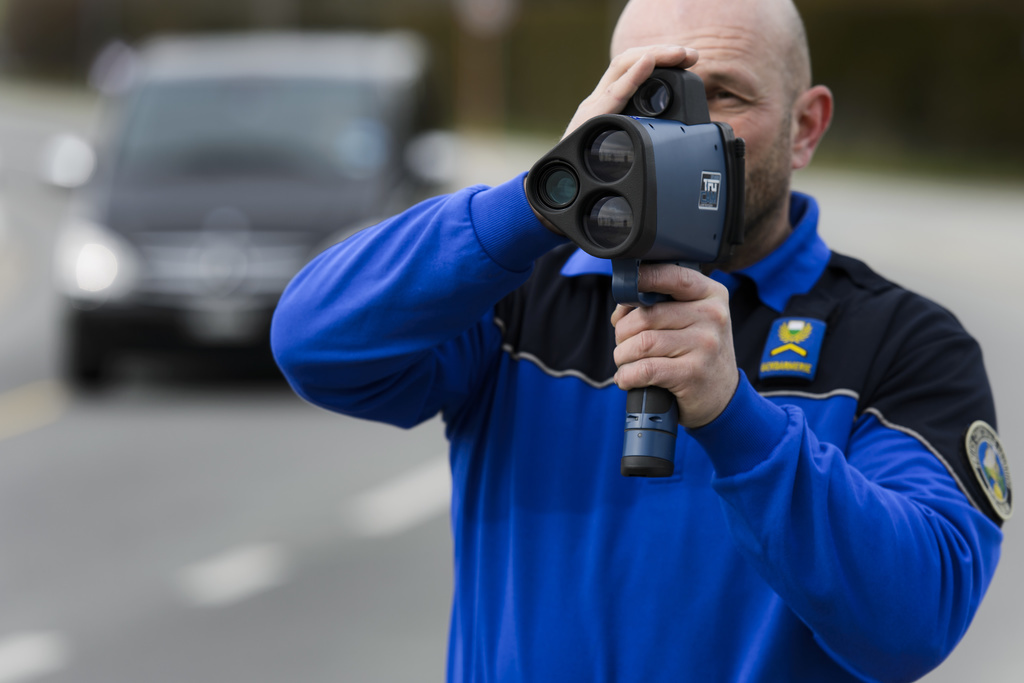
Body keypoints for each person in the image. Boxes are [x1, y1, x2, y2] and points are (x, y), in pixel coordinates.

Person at [271, 0, 1011, 680]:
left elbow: (914, 624)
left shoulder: (905, 341)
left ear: (806, 126)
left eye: (723, 93)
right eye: (645, 95)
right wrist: (543, 199)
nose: (682, 130)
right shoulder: (519, 290)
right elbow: (313, 341)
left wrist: (736, 419)